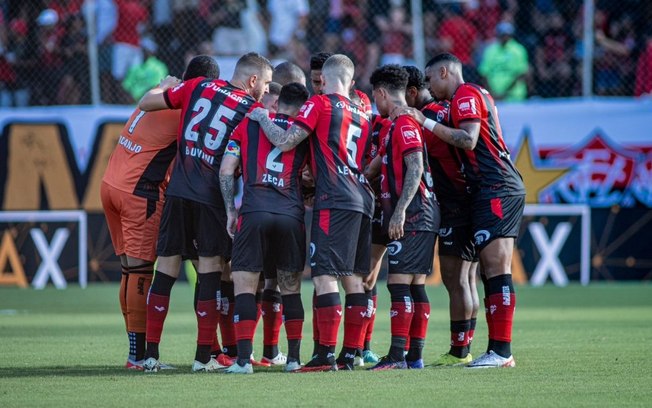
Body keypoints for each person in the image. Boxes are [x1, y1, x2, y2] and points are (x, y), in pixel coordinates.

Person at [137, 52, 273, 373]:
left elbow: (145, 103)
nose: (266, 91)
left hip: (178, 191)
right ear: (253, 80)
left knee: (166, 271)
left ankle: (150, 356)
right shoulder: (252, 110)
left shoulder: (197, 85)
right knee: (210, 271)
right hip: (211, 197)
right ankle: (202, 359)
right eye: (266, 84)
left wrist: (164, 85)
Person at [248, 54, 374, 372]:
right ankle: (350, 354)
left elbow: (287, 141)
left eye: (319, 81)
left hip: (334, 198)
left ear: (326, 79)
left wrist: (263, 118)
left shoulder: (320, 104)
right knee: (355, 280)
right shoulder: (362, 111)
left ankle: (324, 356)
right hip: (362, 197)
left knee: (324, 276)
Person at [402, 53, 525, 368]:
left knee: (497, 269)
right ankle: (493, 350)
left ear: (444, 72)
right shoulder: (474, 94)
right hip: (486, 189)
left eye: (431, 79)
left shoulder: (466, 94)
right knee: (485, 272)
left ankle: (501, 352)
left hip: (497, 185)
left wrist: (423, 120)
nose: (430, 86)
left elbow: (468, 140)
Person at [101, 55, 220, 370]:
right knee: (141, 273)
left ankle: (134, 353)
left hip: (110, 184)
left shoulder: (158, 94)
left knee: (129, 272)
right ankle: (139, 358)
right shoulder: (186, 107)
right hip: (139, 191)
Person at [219, 82, 310, 374]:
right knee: (290, 289)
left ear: (279, 102)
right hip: (290, 214)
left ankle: (244, 361)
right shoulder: (304, 133)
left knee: (245, 286)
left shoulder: (247, 125)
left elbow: (226, 170)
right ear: (302, 107)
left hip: (254, 210)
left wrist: (231, 211)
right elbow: (311, 177)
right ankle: (294, 360)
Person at [403, 65, 480, 367]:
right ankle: (463, 348)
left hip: (455, 205)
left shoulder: (429, 116)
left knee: (455, 279)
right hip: (469, 200)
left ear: (410, 94)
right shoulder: (443, 110)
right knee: (467, 279)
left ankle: (459, 352)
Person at [365, 65, 439, 370]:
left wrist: (399, 211)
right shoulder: (393, 126)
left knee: (399, 284)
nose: (375, 104)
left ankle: (398, 357)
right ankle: (414, 356)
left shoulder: (404, 123)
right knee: (414, 285)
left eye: (375, 96)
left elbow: (415, 167)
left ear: (382, 93)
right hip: (419, 212)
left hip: (415, 213)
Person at [478, 21, 529, 101]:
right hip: (493, 96)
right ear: (498, 35)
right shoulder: (490, 50)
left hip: (514, 96)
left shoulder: (518, 50)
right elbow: (484, 74)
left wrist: (505, 93)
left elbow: (521, 74)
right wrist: (491, 93)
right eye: (502, 35)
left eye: (507, 35)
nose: (504, 38)